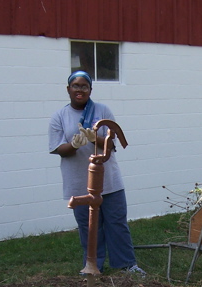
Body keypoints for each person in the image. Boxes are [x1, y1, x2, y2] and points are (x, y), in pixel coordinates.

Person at [48, 70, 145, 276]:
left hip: (109, 181)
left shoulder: (102, 111)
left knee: (117, 223)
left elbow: (111, 145)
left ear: (91, 89)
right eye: (76, 86)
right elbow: (59, 150)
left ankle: (126, 265)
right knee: (89, 227)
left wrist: (94, 139)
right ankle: (93, 266)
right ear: (68, 89)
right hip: (79, 183)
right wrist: (74, 144)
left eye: (84, 86)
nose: (80, 90)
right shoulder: (59, 117)